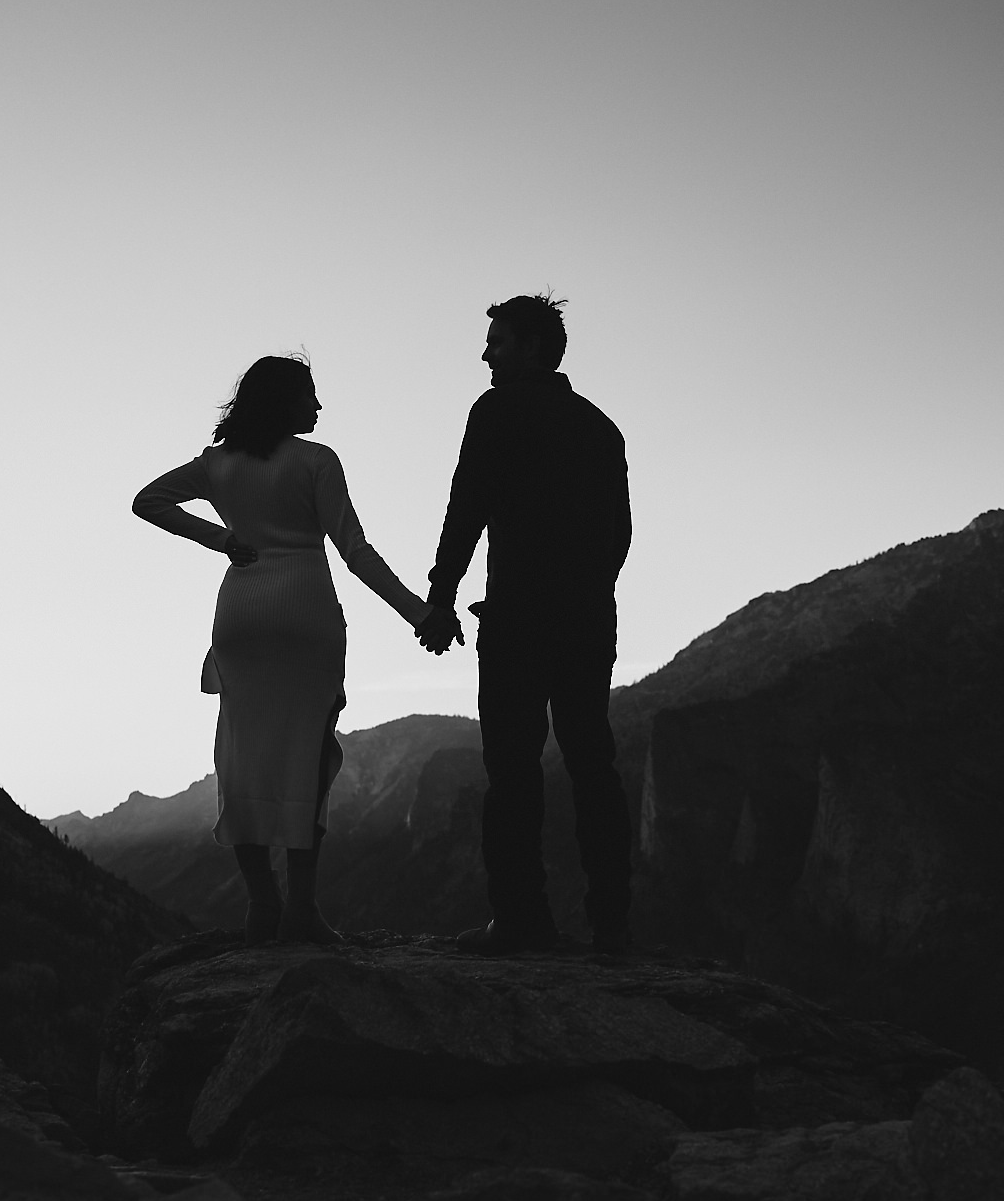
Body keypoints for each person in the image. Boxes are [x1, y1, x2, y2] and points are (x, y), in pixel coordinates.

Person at [134, 355, 430, 945]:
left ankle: (260, 903)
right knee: (308, 756)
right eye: (310, 396)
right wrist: (417, 612)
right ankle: (300, 907)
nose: (318, 408)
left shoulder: (217, 465)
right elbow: (355, 551)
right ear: (282, 402)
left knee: (242, 752)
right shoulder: (318, 461)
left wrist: (221, 539)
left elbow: (147, 501)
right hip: (306, 611)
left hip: (241, 612)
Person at [415, 295, 634, 955]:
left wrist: (441, 595)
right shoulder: (601, 427)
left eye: (499, 342)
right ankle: (613, 925)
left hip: (516, 620)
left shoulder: (496, 410)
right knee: (594, 766)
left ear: (533, 345)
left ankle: (520, 920)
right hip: (590, 622)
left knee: (513, 771)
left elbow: (467, 508)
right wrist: (590, 595)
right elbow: (619, 533)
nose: (486, 354)